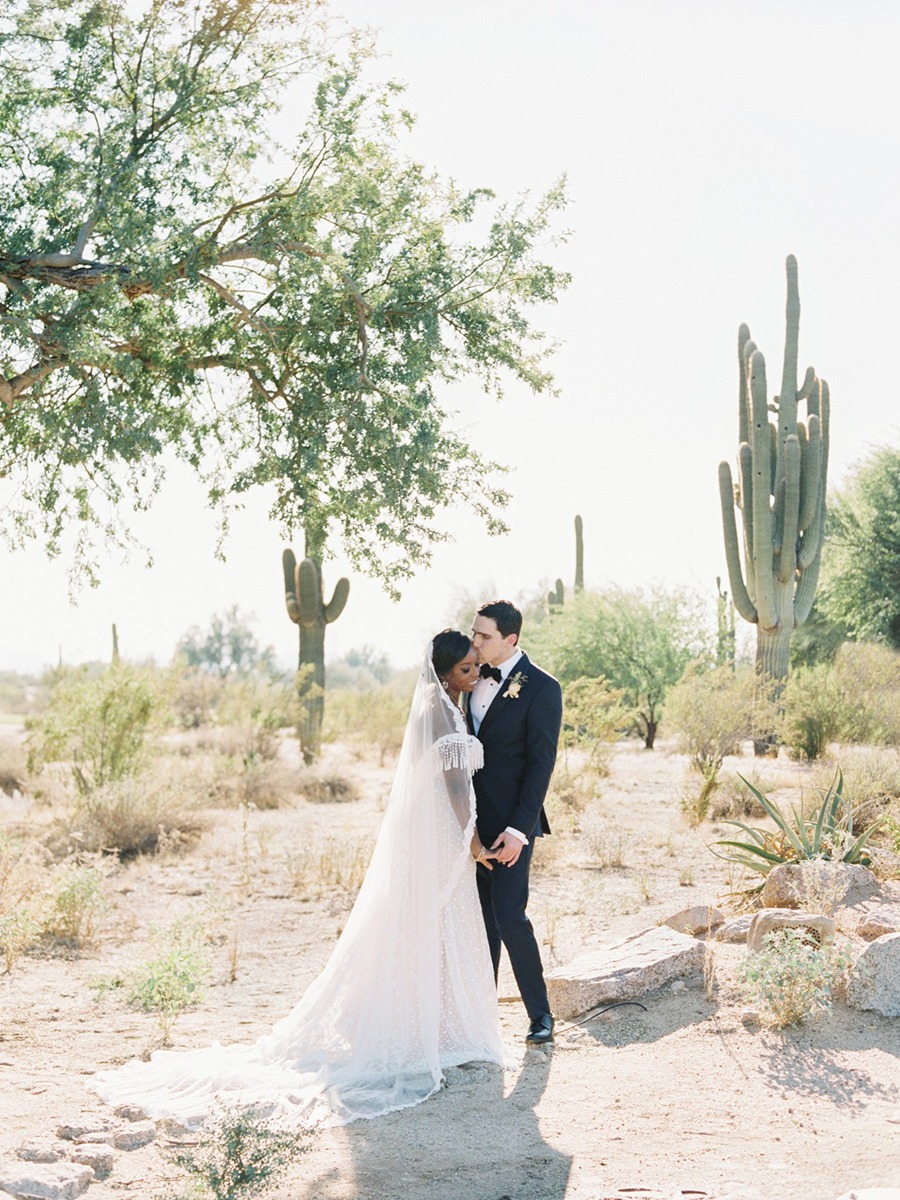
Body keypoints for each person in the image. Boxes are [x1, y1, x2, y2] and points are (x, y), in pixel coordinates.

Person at [90, 632, 503, 1127]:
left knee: (434, 927)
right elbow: (457, 787)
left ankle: (434, 1028)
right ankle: (414, 1032)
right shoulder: (438, 714)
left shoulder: (452, 708)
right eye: (464, 669)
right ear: (442, 674)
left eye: (475, 665)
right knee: (427, 924)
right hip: (441, 836)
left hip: (437, 834)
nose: (473, 674)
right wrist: (473, 842)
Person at [468, 599, 563, 1045]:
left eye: (484, 636)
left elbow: (540, 765)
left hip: (511, 827)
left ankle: (540, 1015)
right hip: (468, 825)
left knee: (509, 917)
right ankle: (479, 1019)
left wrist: (518, 830)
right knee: (477, 921)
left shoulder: (543, 688)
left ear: (511, 639)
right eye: (474, 633)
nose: (475, 642)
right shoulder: (467, 680)